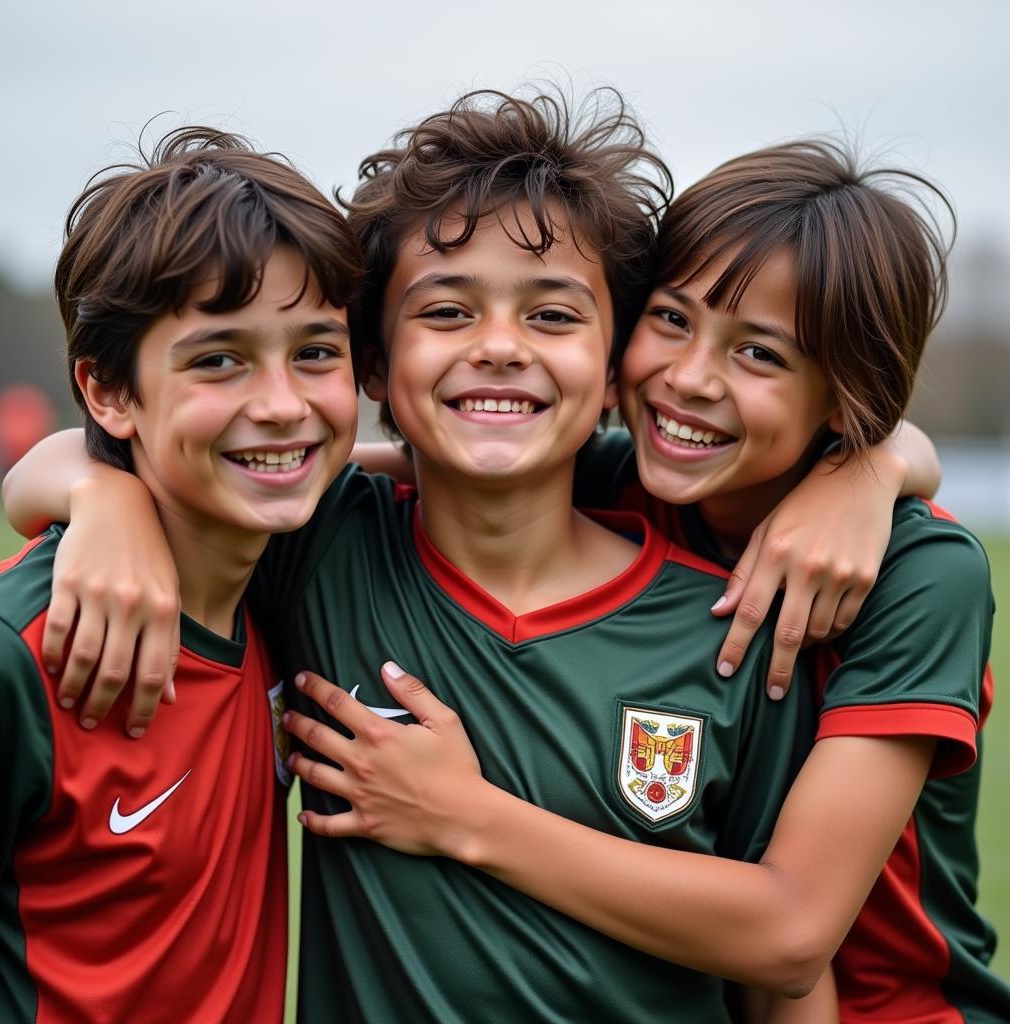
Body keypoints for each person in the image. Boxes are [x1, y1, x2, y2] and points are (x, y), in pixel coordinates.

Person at [3, 91, 941, 1022]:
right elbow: (174, 466)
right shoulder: (317, 550)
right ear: (373, 364)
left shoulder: (737, 622)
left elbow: (784, 974)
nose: (498, 348)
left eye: (553, 317)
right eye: (447, 313)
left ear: (616, 363)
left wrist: (877, 464)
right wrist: (103, 491)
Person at [285, 139, 1010, 1023]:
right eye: (672, 320)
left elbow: (789, 935)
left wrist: (461, 813)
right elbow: (441, 445)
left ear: (846, 398)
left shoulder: (915, 569)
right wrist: (105, 491)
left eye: (763, 356)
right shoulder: (623, 476)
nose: (689, 377)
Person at [0, 126, 363, 1022]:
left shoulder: (292, 572)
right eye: (219, 360)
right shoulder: (16, 655)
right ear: (108, 393)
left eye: (315, 351)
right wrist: (94, 489)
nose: (282, 406)